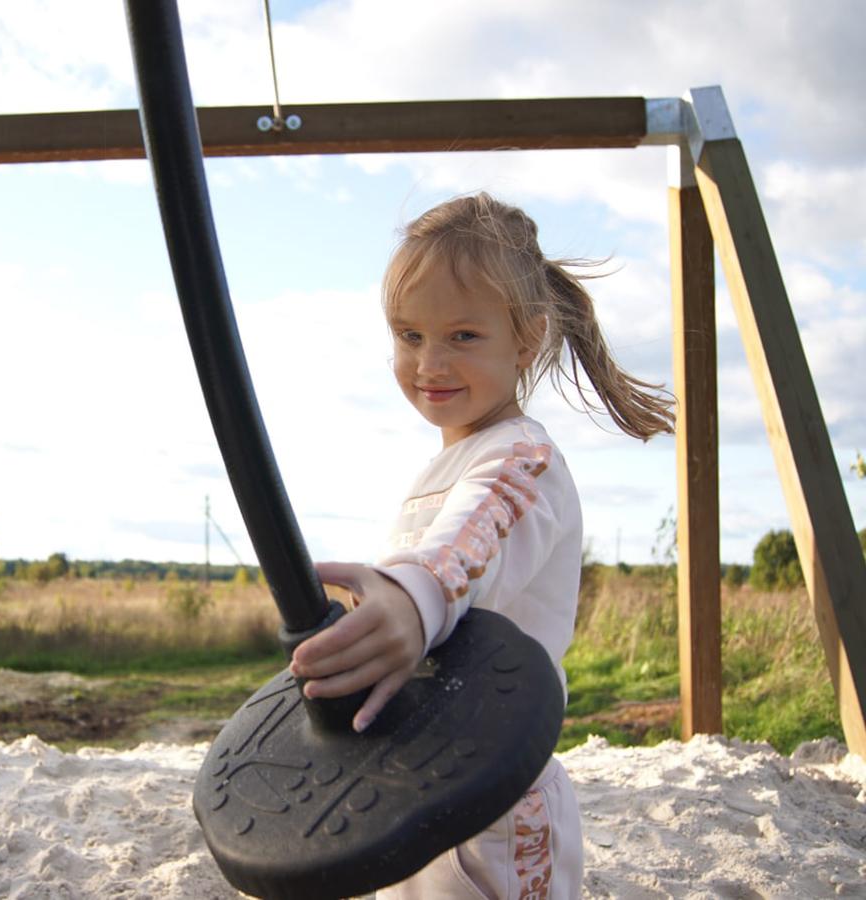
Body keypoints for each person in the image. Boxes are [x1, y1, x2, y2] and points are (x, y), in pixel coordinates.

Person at [288, 192, 675, 899]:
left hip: (494, 807)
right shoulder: (453, 464)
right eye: (409, 335)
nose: (429, 362)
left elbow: (470, 544)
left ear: (525, 340)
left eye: (463, 336)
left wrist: (410, 601)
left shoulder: (521, 461)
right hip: (416, 780)